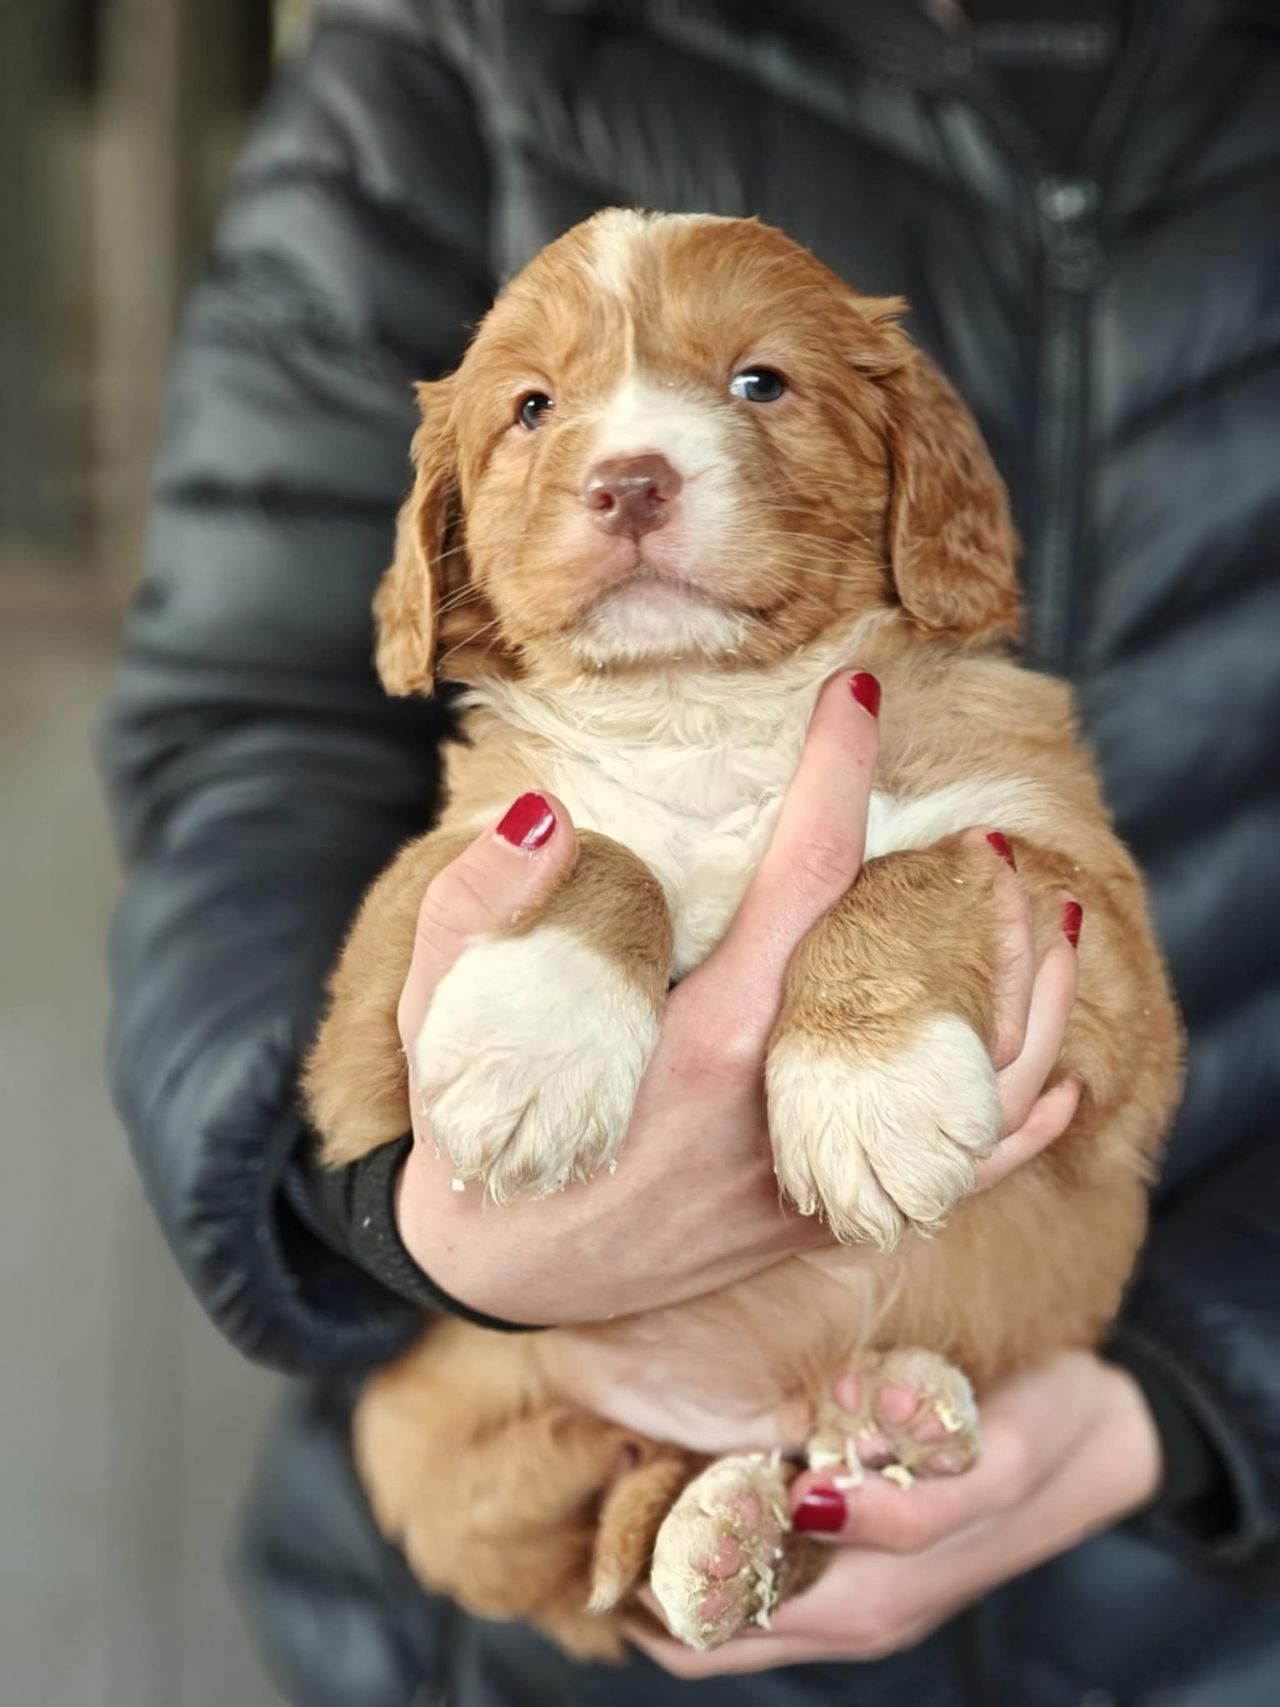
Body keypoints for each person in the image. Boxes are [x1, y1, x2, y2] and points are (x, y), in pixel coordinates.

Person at [98, 2, 1280, 1703]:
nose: (629, 464)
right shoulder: (460, 37)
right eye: (535, 411)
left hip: (1184, 1585)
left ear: (905, 456)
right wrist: (405, 1225)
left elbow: (1103, 1003)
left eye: (753, 384)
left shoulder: (979, 745)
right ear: (445, 542)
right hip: (505, 1629)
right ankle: (662, 1520)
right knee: (461, 1479)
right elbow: (245, 744)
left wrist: (1179, 1407)